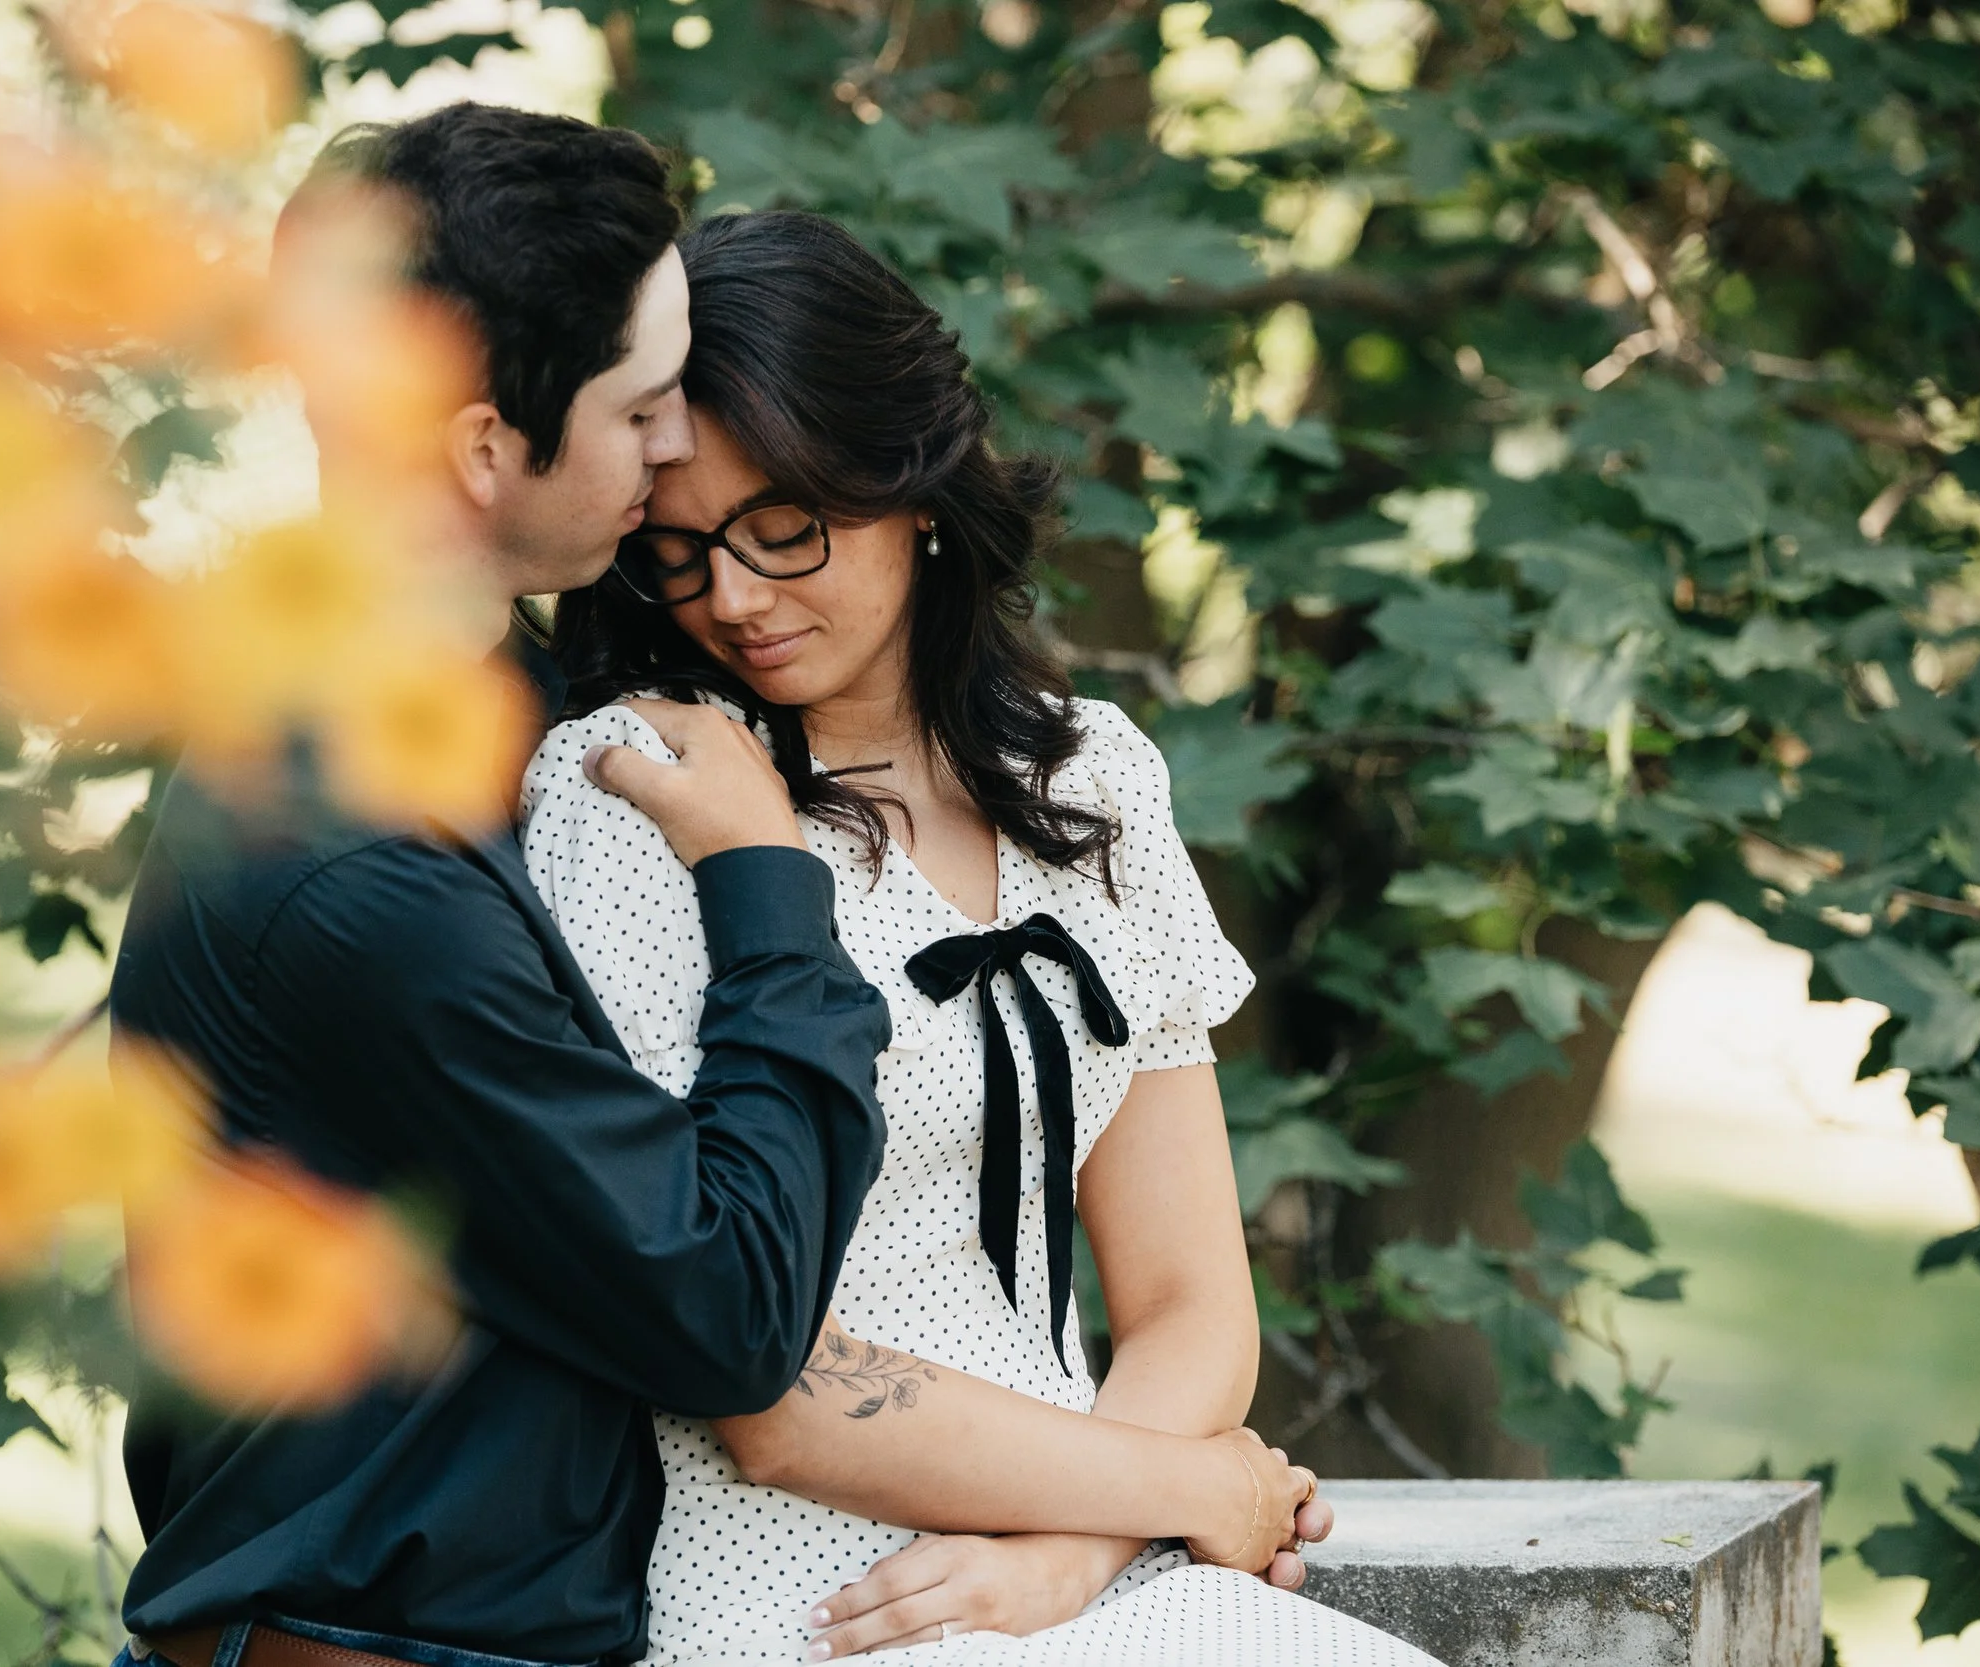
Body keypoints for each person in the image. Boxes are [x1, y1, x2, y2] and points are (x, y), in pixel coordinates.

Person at [528, 210, 1442, 1665]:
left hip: (1076, 1572)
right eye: (683, 551)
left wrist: (1067, 1555)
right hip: (801, 1605)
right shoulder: (641, 794)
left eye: (782, 527)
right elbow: (751, 1378)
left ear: (914, 487)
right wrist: (1195, 1487)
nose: (735, 599)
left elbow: (1194, 1300)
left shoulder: (1096, 779)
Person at [106, 110, 894, 1667]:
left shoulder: (506, 704)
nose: (680, 451)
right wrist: (764, 889)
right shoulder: (346, 863)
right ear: (484, 446)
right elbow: (727, 1309)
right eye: (647, 406)